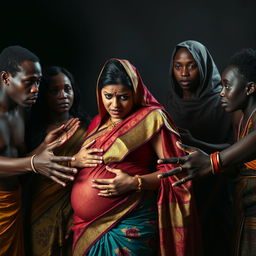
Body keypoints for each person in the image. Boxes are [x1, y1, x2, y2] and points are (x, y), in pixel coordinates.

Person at [71, 59, 200, 256]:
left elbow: (178, 172)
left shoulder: (153, 118)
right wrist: (76, 159)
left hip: (130, 224)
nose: (115, 105)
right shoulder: (97, 122)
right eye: (108, 96)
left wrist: (134, 182)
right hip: (86, 227)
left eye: (123, 97)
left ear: (136, 93)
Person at [159, 48, 256, 256]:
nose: (222, 92)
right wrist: (198, 144)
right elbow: (238, 152)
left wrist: (211, 162)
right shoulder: (243, 119)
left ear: (249, 88)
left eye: (227, 86)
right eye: (221, 86)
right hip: (244, 212)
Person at [0, 46, 77, 256]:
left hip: (14, 204)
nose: (35, 89)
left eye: (38, 82)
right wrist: (33, 163)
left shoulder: (22, 111)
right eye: (29, 82)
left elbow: (16, 159)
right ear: (6, 78)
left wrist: (42, 148)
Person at [24, 66, 103, 256]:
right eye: (54, 91)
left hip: (77, 208)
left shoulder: (88, 127)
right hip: (42, 207)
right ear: (44, 95)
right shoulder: (34, 133)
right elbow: (27, 168)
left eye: (67, 89)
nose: (63, 95)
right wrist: (73, 161)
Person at [166, 40, 234, 255]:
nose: (184, 73)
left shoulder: (223, 103)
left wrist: (195, 141)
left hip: (218, 192)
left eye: (191, 65)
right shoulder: (169, 106)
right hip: (181, 195)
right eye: (178, 66)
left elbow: (238, 149)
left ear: (203, 66)